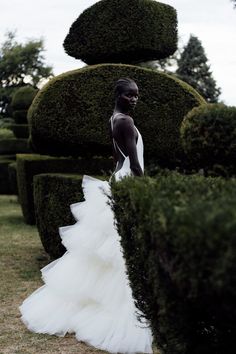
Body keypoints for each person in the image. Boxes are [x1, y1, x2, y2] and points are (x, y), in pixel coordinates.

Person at [19, 78, 153, 353]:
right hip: (128, 184)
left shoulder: (115, 118)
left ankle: (104, 303)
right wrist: (144, 192)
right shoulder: (125, 122)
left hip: (118, 180)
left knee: (112, 251)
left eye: (137, 95)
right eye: (129, 95)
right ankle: (123, 311)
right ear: (117, 95)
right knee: (121, 250)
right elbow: (136, 165)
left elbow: (120, 159)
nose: (135, 99)